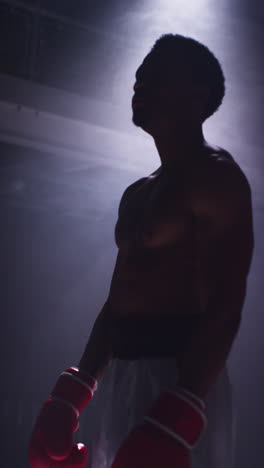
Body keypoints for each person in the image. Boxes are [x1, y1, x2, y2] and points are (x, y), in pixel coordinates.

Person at [28, 34, 254, 468]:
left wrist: (180, 408)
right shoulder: (138, 193)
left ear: (197, 93)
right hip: (124, 378)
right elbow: (118, 301)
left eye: (156, 72)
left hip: (183, 379)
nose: (139, 81)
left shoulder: (218, 177)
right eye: (140, 73)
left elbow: (228, 303)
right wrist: (72, 394)